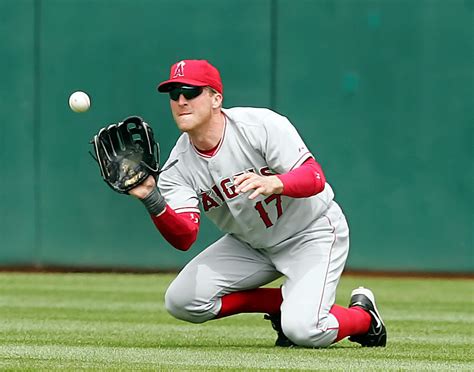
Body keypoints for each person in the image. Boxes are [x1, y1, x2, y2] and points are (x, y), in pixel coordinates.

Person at [129, 59, 387, 348]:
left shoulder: (259, 126)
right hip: (251, 244)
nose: (180, 101)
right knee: (182, 301)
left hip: (311, 232)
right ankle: (282, 304)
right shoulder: (178, 166)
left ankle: (365, 318)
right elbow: (185, 236)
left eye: (191, 92)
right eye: (173, 94)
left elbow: (315, 177)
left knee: (304, 330)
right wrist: (151, 198)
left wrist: (277, 182)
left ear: (216, 99)